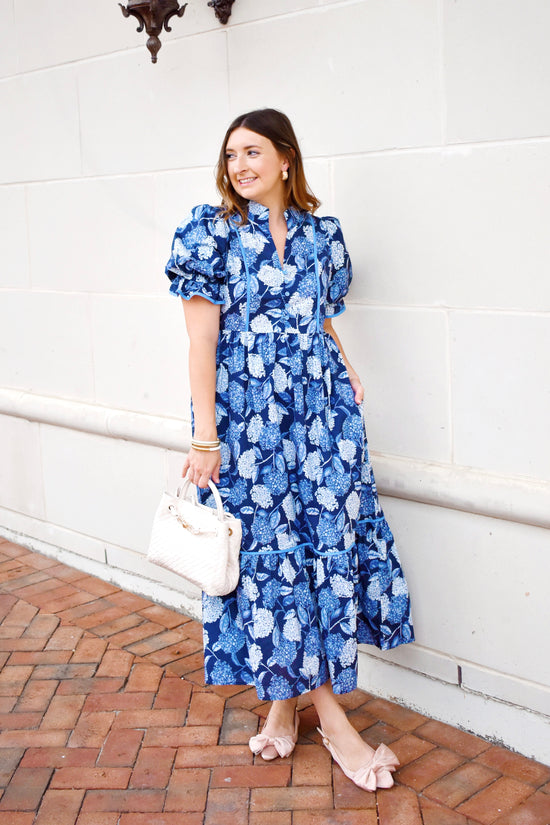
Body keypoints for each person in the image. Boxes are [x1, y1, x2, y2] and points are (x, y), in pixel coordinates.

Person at [165, 108, 414, 792]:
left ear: (285, 159)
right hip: (248, 429)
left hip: (322, 419)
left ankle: (283, 704)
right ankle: (334, 722)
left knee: (316, 548)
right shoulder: (211, 232)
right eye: (231, 155)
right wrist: (205, 438)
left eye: (252, 152)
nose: (239, 165)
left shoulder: (320, 236)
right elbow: (201, 343)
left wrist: (348, 367)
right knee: (274, 561)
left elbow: (319, 318)